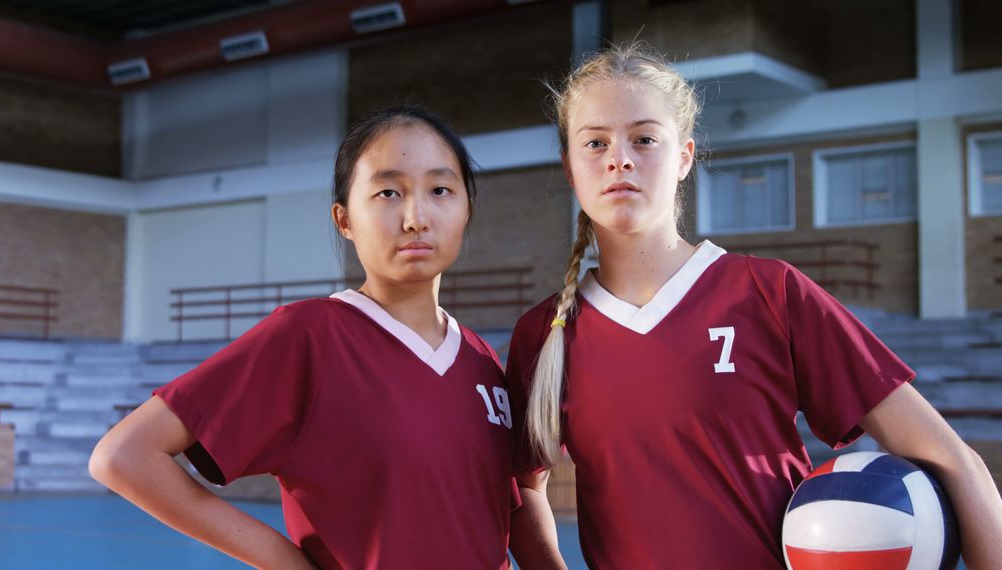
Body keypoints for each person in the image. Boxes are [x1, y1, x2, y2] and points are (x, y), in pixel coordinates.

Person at [506, 43, 1002, 569]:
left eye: (645, 138)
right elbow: (523, 488)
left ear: (684, 157)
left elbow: (952, 461)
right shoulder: (546, 333)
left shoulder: (768, 292)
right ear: (569, 168)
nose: (619, 158)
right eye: (595, 142)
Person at [90, 106, 518, 569]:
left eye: (440, 190)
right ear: (345, 220)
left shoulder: (481, 359)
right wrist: (283, 560)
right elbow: (124, 456)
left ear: (466, 209)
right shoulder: (308, 337)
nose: (416, 217)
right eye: (388, 192)